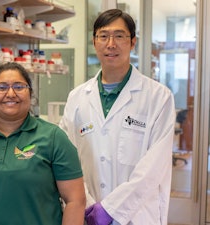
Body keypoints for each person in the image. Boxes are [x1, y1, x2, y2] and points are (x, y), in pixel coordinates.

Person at [59, 9, 176, 225]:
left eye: (119, 36)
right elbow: (66, 158)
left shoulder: (159, 97)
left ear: (133, 42)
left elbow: (154, 166)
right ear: (95, 42)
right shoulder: (77, 98)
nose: (110, 44)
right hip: (86, 212)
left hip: (137, 215)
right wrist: (87, 204)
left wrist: (111, 209)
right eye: (103, 36)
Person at [0, 62, 86, 225]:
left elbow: (75, 200)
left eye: (19, 87)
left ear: (30, 94)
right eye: (2, 87)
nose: (11, 93)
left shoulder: (54, 138)